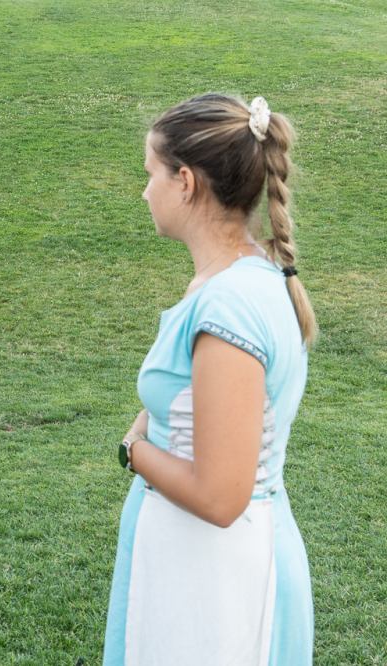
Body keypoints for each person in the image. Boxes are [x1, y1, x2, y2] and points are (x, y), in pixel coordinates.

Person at [104, 94, 316, 664]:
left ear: (186, 183)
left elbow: (220, 497)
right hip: (202, 571)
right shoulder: (248, 278)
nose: (144, 191)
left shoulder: (229, 307)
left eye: (151, 173)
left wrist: (132, 451)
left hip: (218, 591)